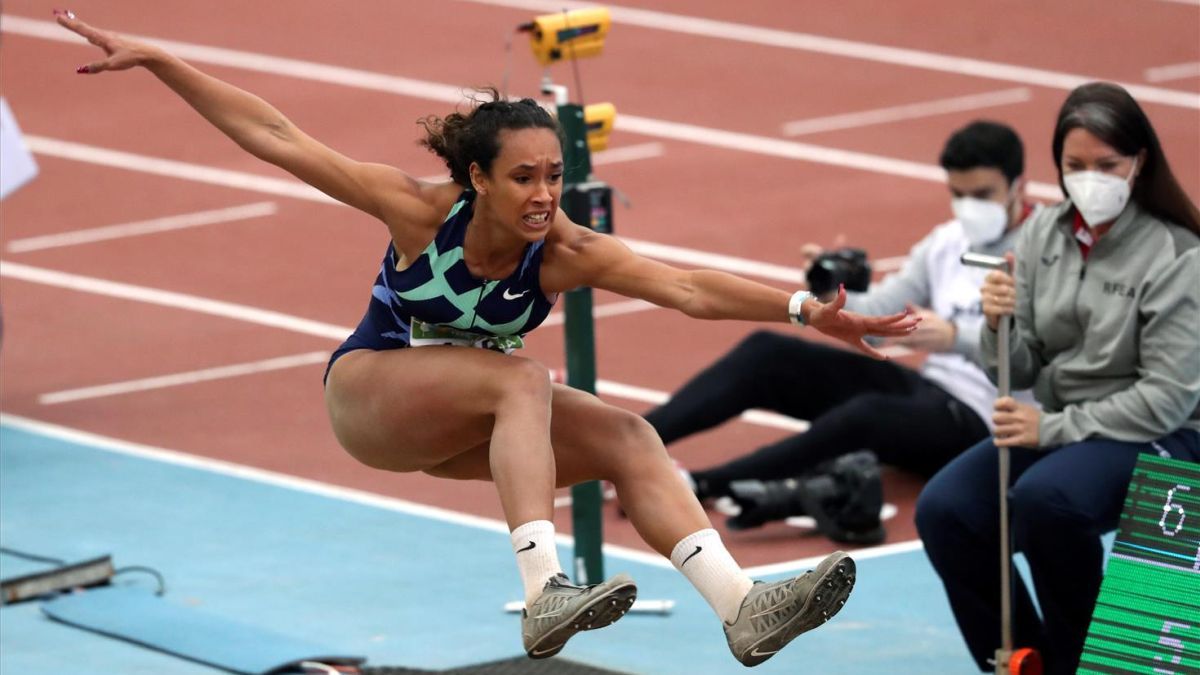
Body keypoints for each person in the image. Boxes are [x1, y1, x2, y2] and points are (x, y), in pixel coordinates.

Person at [54, 11, 923, 666]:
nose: (545, 193)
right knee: (523, 380)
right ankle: (543, 590)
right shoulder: (416, 212)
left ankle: (740, 607)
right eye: (523, 177)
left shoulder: (565, 251)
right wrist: (165, 59)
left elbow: (688, 286)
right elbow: (276, 137)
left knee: (630, 435)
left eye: (554, 174)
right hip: (369, 396)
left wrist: (806, 310)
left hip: (460, 425)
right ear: (477, 178)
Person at [915, 82, 1200, 675]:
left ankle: (1090, 665)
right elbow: (1022, 367)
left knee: (1049, 501)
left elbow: (1168, 397)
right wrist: (1000, 326)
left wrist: (1053, 427)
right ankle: (1027, 660)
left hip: (1164, 431)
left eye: (1107, 165)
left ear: (1139, 162)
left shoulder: (1177, 252)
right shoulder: (1044, 234)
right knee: (946, 509)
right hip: (1068, 427)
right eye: (1075, 166)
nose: (1090, 179)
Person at [643, 120, 1037, 543]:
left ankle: (700, 484)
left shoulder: (1048, 248)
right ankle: (632, 441)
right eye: (958, 195)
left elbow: (1051, 355)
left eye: (981, 195)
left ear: (1018, 185)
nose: (968, 208)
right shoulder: (948, 241)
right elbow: (879, 319)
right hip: (931, 390)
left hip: (989, 418)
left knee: (868, 414)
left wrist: (955, 338)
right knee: (770, 354)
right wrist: (830, 291)